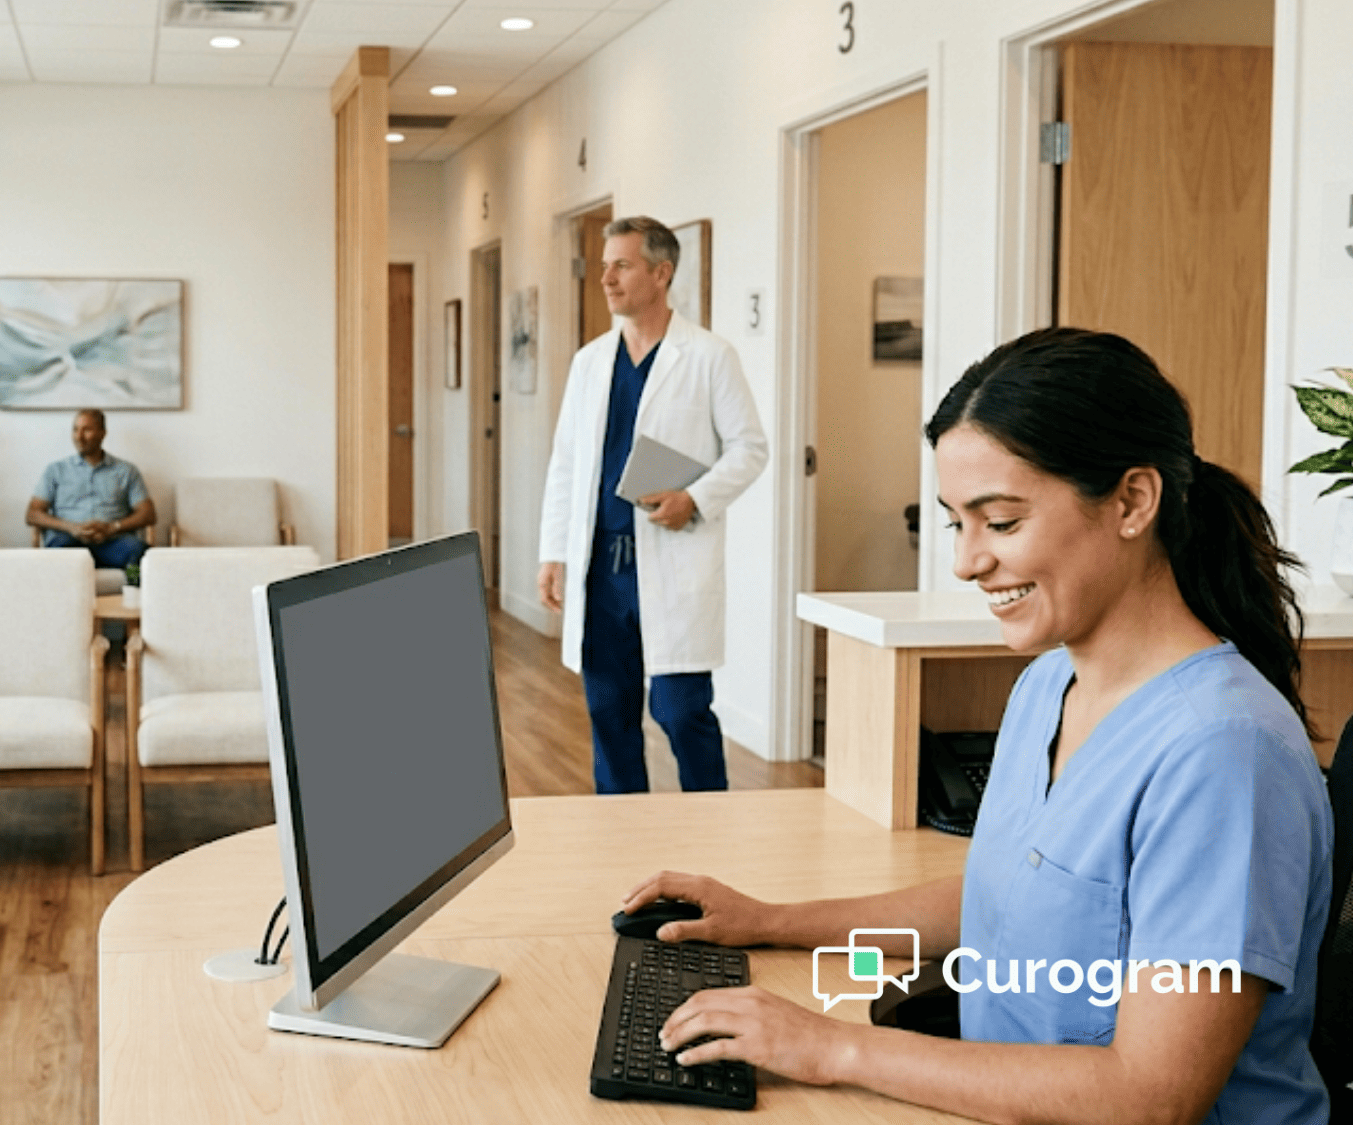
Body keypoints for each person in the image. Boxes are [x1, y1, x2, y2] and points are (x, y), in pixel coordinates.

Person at [619, 328, 1333, 1123]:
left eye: (1000, 522)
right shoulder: (1046, 685)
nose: (964, 561)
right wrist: (768, 922)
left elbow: (1150, 1094)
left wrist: (833, 1046)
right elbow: (1006, 899)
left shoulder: (1224, 753)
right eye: (957, 522)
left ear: (1133, 500)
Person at [537, 216, 768, 794]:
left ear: (661, 274)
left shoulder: (710, 356)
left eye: (622, 265)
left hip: (669, 561)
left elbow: (751, 448)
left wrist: (695, 497)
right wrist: (553, 553)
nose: (606, 278)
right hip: (601, 568)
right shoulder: (591, 362)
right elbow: (566, 463)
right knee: (608, 715)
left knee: (681, 712)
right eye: (604, 265)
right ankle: (624, 839)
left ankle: (708, 830)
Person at [26, 408, 155, 571]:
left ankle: (133, 593)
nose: (79, 437)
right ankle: (64, 596)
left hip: (113, 542)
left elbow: (148, 514)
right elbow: (33, 514)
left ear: (102, 433)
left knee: (139, 553)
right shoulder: (56, 470)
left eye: (86, 430)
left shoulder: (126, 471)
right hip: (69, 541)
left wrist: (112, 527)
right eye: (75, 430)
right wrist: (72, 527)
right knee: (57, 555)